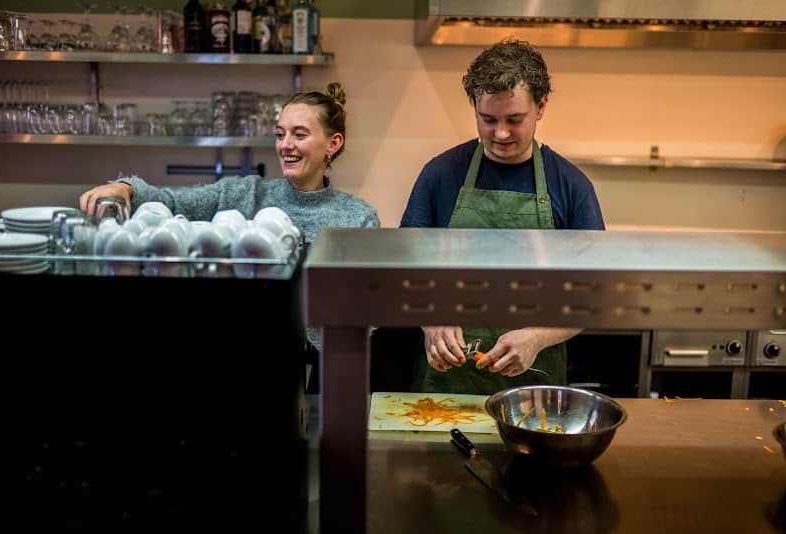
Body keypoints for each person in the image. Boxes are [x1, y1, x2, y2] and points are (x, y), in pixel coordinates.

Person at [400, 39, 605, 395]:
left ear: (541, 106)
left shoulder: (571, 186)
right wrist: (431, 321)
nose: (501, 133)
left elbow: (593, 294)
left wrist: (537, 337)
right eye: (488, 119)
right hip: (445, 387)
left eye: (515, 119)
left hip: (533, 390)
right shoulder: (440, 175)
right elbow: (405, 270)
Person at [79, 82, 379, 244]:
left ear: (333, 143)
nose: (285, 145)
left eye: (299, 135)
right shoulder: (245, 194)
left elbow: (368, 306)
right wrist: (126, 188)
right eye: (280, 134)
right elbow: (173, 202)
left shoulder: (358, 218)